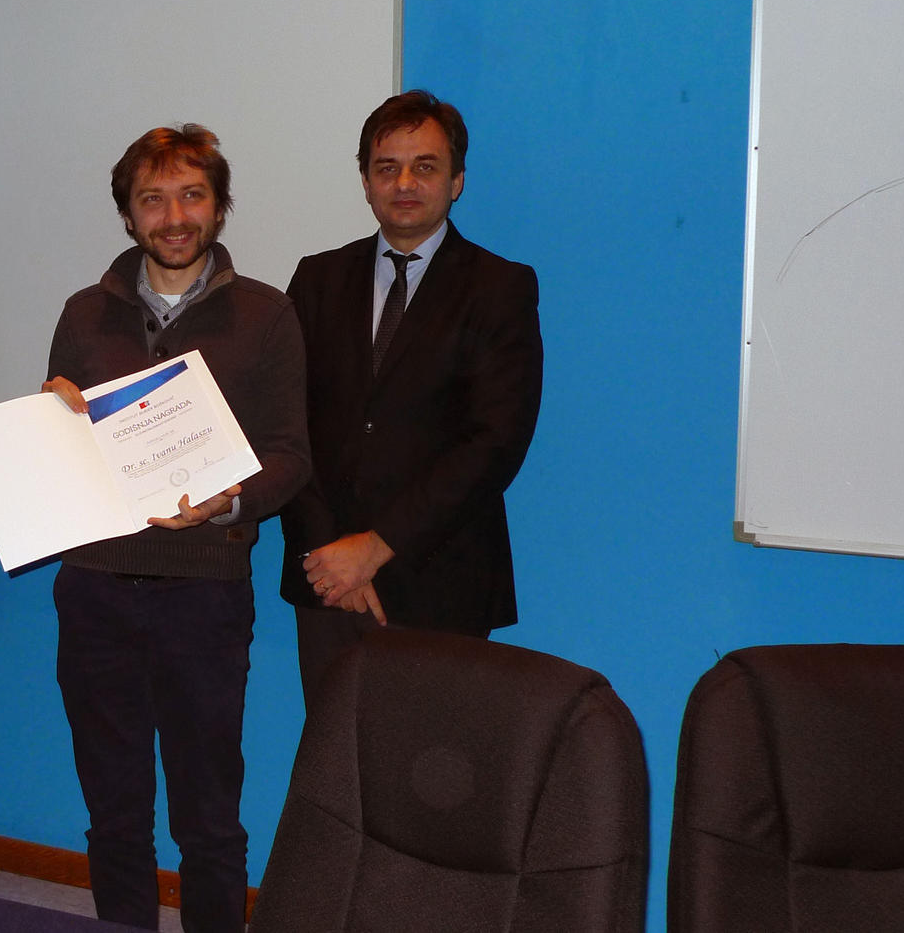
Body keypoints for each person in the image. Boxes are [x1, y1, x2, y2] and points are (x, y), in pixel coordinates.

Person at [41, 124, 310, 933]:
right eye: (152, 199)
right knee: (113, 810)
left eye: (192, 195)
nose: (174, 216)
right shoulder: (83, 313)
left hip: (204, 595)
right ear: (128, 215)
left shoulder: (266, 314)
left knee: (208, 816)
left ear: (219, 207)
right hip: (94, 593)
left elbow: (291, 456)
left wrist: (228, 501)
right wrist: (51, 421)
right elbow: (63, 454)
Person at [279, 89, 544, 709]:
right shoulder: (316, 279)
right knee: (335, 755)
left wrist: (375, 548)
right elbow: (287, 423)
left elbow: (496, 442)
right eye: (386, 167)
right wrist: (330, 558)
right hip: (326, 582)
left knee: (435, 760)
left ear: (456, 181)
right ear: (365, 182)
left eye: (425, 166)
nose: (404, 183)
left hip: (442, 579)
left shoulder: (501, 286)